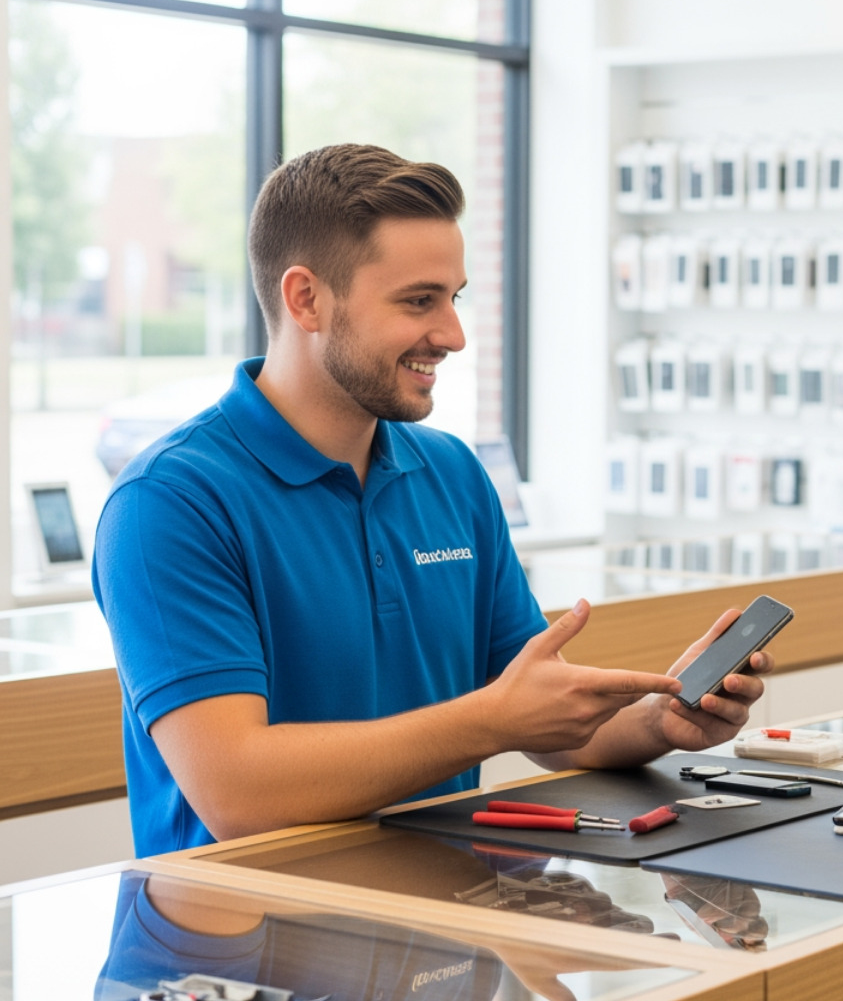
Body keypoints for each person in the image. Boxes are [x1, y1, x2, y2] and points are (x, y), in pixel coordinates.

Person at [93, 144, 772, 858]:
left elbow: (537, 714)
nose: (452, 334)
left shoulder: (451, 473)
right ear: (306, 299)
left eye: (454, 297)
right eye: (419, 301)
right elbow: (238, 792)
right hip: (246, 948)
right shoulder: (166, 505)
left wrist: (660, 721)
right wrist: (491, 723)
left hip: (439, 919)